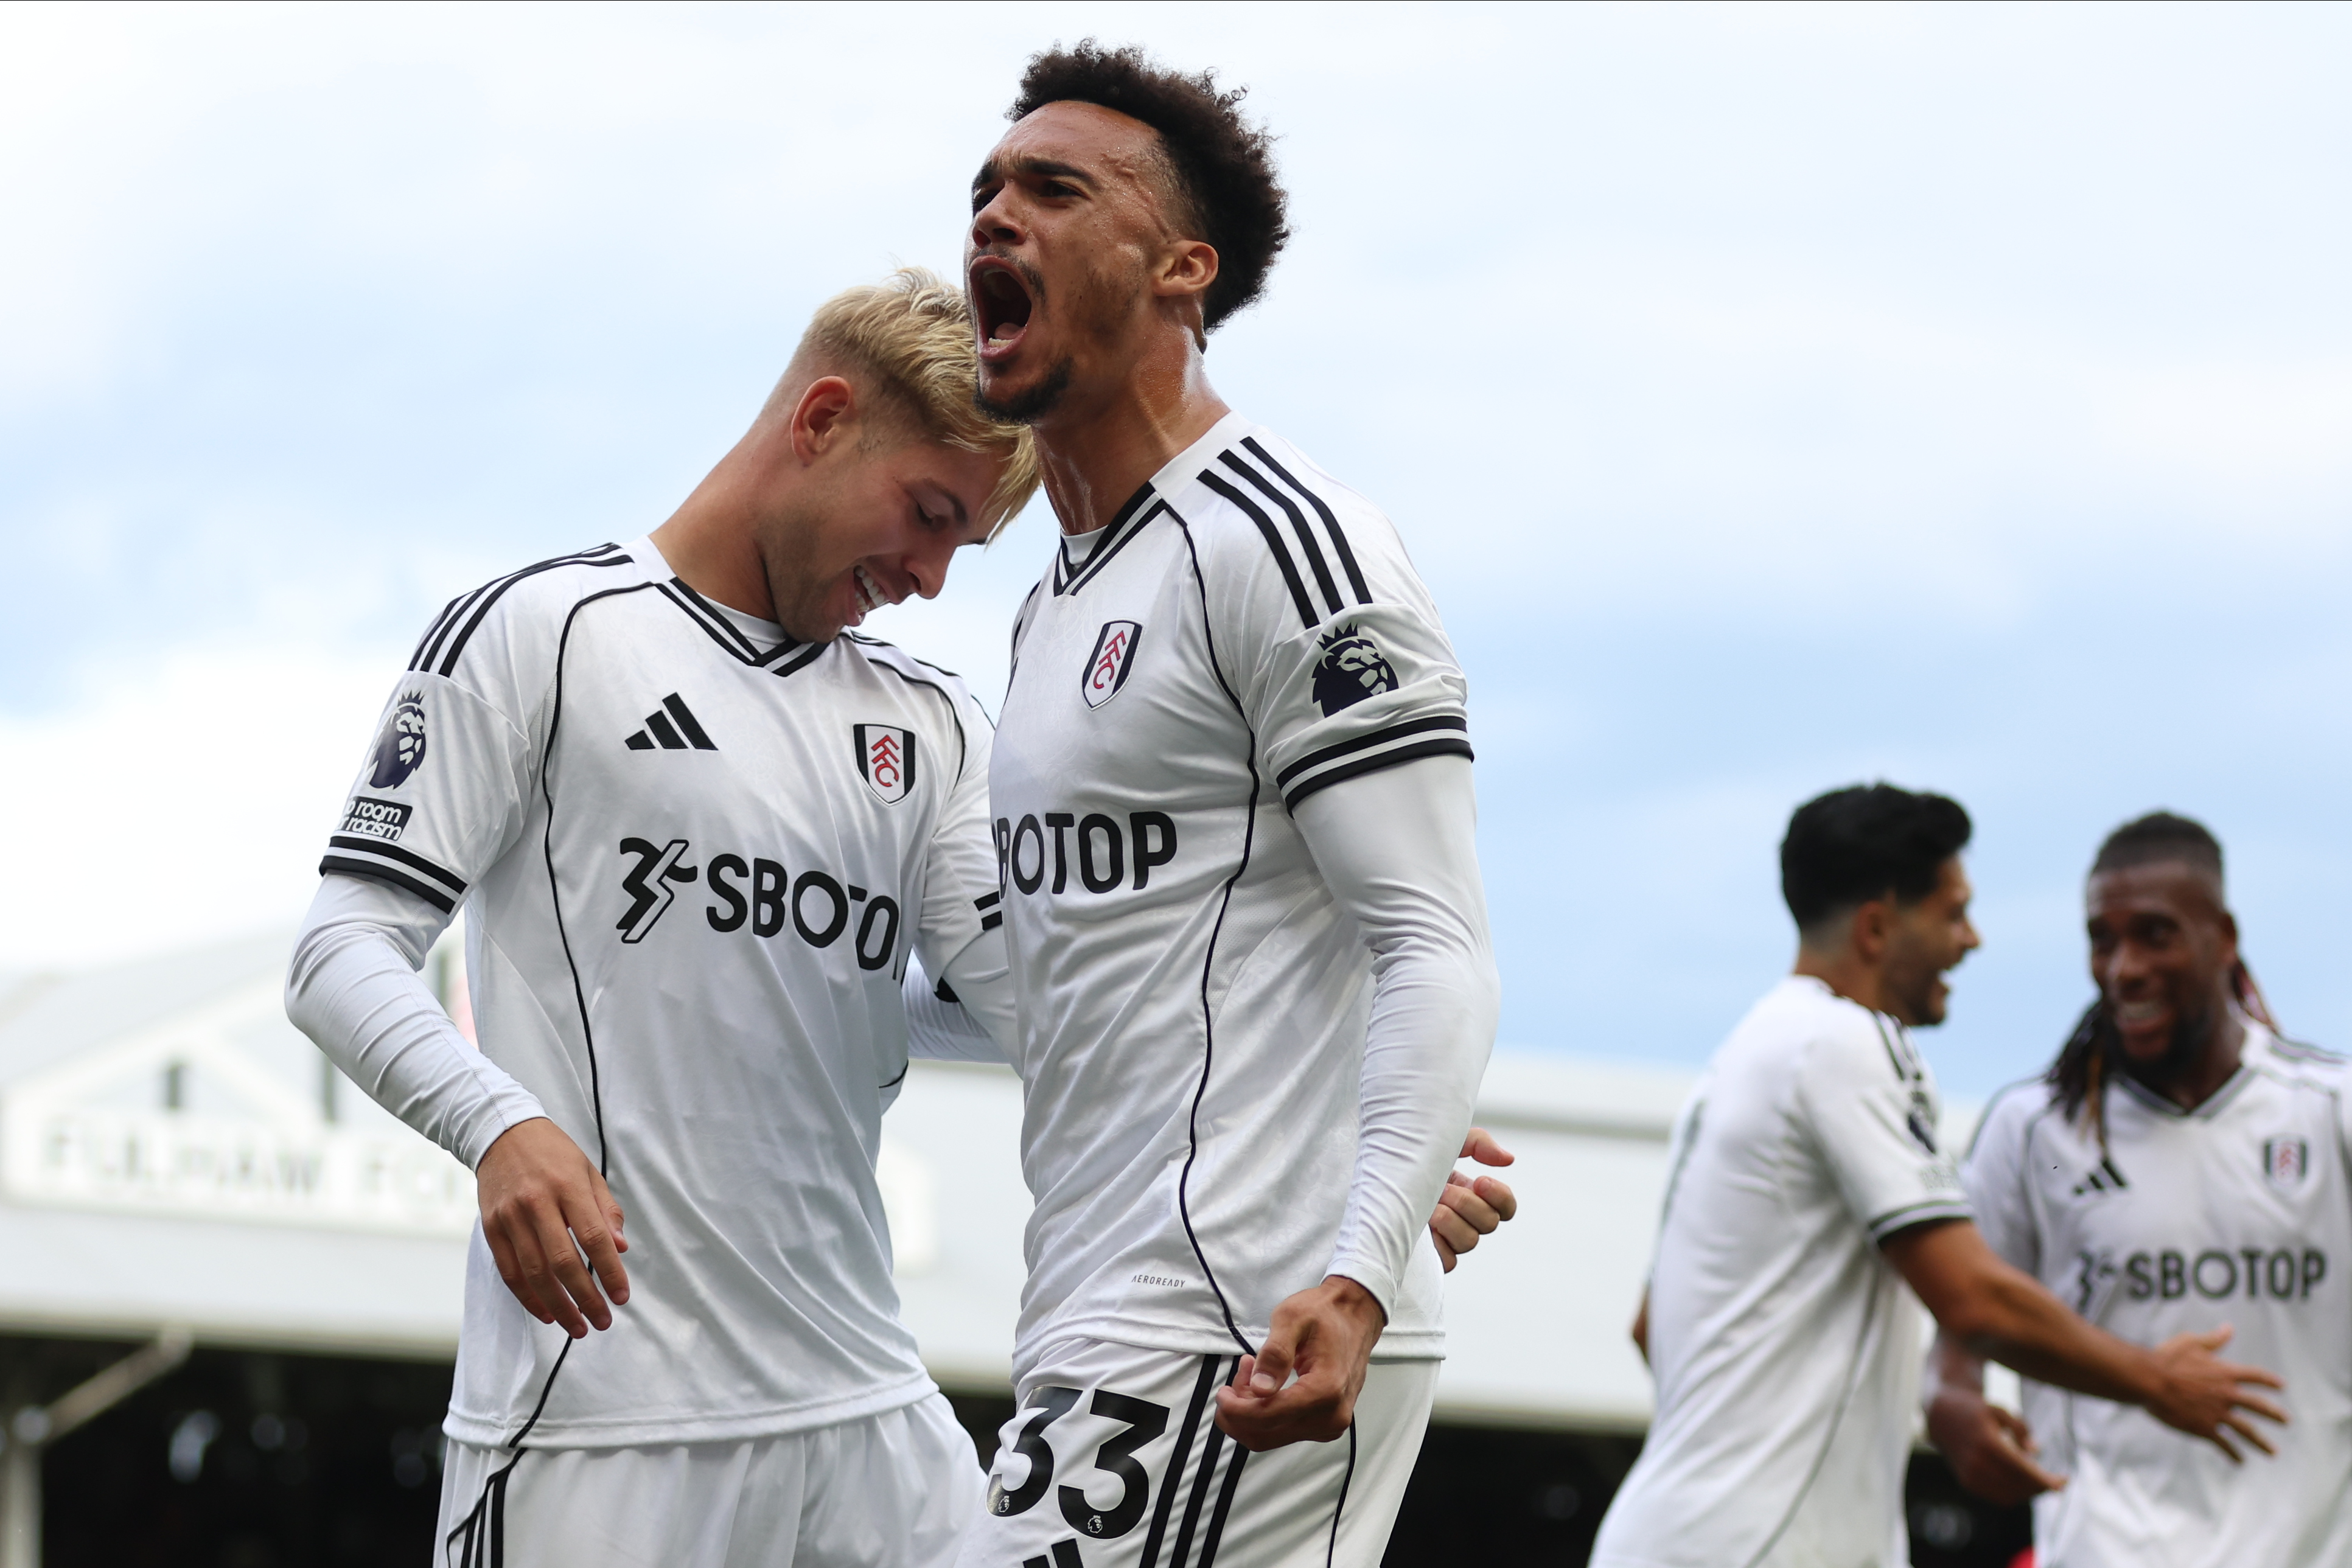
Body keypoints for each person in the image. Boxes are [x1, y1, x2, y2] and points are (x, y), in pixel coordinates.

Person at [285, 268, 1516, 1568]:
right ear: (821, 420)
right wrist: (500, 1127)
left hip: (873, 1424)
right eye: (926, 512)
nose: (928, 577)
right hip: (599, 1422)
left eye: (962, 546)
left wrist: (1335, 1161)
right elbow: (339, 952)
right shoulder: (545, 632)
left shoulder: (925, 725)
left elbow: (1047, 1005)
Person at [949, 43, 1502, 1567]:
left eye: (1054, 191)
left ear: (1182, 270)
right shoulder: (1055, 596)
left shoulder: (1291, 542)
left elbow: (1435, 945)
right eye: (984, 191)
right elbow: (1097, 975)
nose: (995, 220)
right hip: (1111, 1303)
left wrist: (1362, 1256)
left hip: (1236, 1316)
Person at [1590, 785, 2285, 1568]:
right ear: (1879, 927)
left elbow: (1652, 1327)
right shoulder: (1845, 1043)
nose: (1973, 939)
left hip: (1675, 1536)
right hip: (1761, 1549)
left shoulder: (1740, 1058)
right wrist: (2155, 1379)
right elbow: (1969, 1296)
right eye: (1953, 913)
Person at [1928, 812, 2349, 1566]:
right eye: (2102, 939)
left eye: (2154, 934)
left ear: (2222, 939)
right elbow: (1961, 1335)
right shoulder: (2039, 1136)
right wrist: (1952, 1404)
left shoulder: (2326, 1112)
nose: (2123, 967)